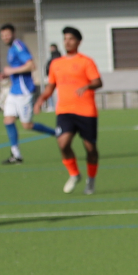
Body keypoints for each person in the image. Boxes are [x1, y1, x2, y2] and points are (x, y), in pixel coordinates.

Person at [35, 28, 103, 194]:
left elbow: (98, 82)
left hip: (86, 111)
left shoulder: (86, 61)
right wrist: (41, 99)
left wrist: (87, 86)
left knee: (90, 149)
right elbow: (51, 86)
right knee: (63, 144)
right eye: (65, 38)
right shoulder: (56, 63)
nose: (67, 42)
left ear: (78, 42)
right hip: (65, 111)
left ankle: (91, 180)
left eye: (71, 39)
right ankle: (74, 174)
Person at [0, 25, 57, 163]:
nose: (5, 37)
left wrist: (11, 71)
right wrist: (7, 74)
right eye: (3, 35)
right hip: (14, 91)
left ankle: (56, 133)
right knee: (8, 120)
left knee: (27, 125)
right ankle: (16, 155)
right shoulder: (11, 49)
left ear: (13, 34)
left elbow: (31, 65)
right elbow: (18, 69)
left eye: (7, 34)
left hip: (24, 92)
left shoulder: (18, 46)